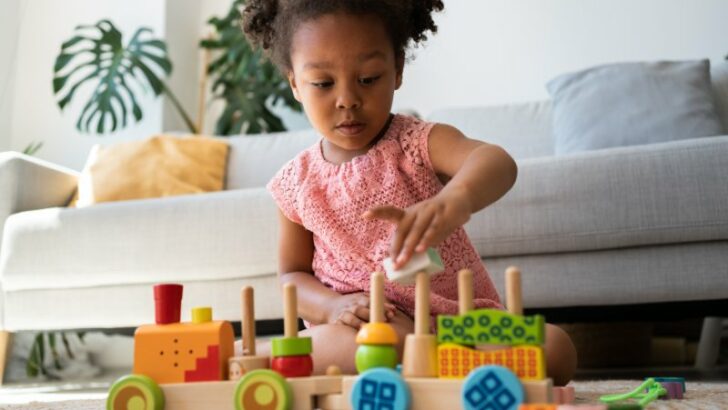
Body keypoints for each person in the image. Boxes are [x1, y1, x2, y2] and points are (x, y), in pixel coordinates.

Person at [240, 0, 577, 385]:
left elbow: (496, 162)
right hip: (365, 327)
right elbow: (292, 276)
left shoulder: (418, 142)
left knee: (556, 350)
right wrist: (333, 306)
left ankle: (428, 366)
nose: (347, 99)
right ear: (295, 84)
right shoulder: (295, 183)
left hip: (457, 325)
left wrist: (455, 200)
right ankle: (244, 357)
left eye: (368, 78)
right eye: (323, 83)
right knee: (346, 348)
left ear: (397, 70)